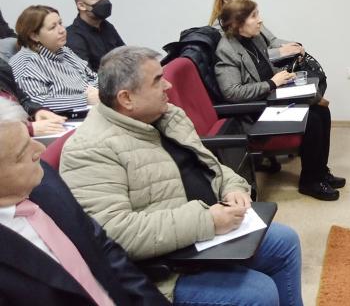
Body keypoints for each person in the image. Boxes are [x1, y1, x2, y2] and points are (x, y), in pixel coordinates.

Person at [60, 46, 304, 305]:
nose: (168, 86)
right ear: (126, 98)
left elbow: (211, 165)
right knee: (259, 293)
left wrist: (233, 187)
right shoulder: (89, 149)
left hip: (207, 234)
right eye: (158, 81)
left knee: (285, 242)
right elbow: (115, 233)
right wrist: (207, 221)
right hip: (165, 267)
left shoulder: (168, 115)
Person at [0, 117, 170, 305]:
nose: (41, 149)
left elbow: (103, 250)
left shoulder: (44, 179)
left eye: (29, 139)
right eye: (22, 153)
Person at [215, 0, 344, 201]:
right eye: (254, 16)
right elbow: (232, 92)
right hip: (256, 113)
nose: (260, 20)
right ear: (238, 24)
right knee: (312, 119)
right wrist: (271, 83)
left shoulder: (256, 39)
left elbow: (266, 69)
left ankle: (320, 171)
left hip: (272, 98)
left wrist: (287, 75)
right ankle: (310, 182)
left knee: (322, 111)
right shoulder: (226, 50)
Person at [10, 5, 100, 112]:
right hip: (65, 117)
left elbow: (92, 77)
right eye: (53, 27)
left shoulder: (63, 50)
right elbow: (36, 104)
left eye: (60, 23)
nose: (62, 30)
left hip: (93, 106)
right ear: (34, 36)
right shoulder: (26, 64)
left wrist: (101, 92)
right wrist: (85, 99)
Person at [209, 0, 305, 62]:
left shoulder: (252, 17)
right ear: (226, 0)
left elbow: (272, 41)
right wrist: (280, 51)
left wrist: (295, 46)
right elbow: (247, 57)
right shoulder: (219, 29)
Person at [66, 0, 125, 72]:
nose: (105, 2)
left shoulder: (107, 26)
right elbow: (87, 76)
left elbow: (126, 57)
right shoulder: (73, 36)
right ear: (81, 6)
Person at [0, 59, 66, 136]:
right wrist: (26, 129)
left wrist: (37, 111)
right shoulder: (26, 61)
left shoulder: (2, 66)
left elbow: (23, 99)